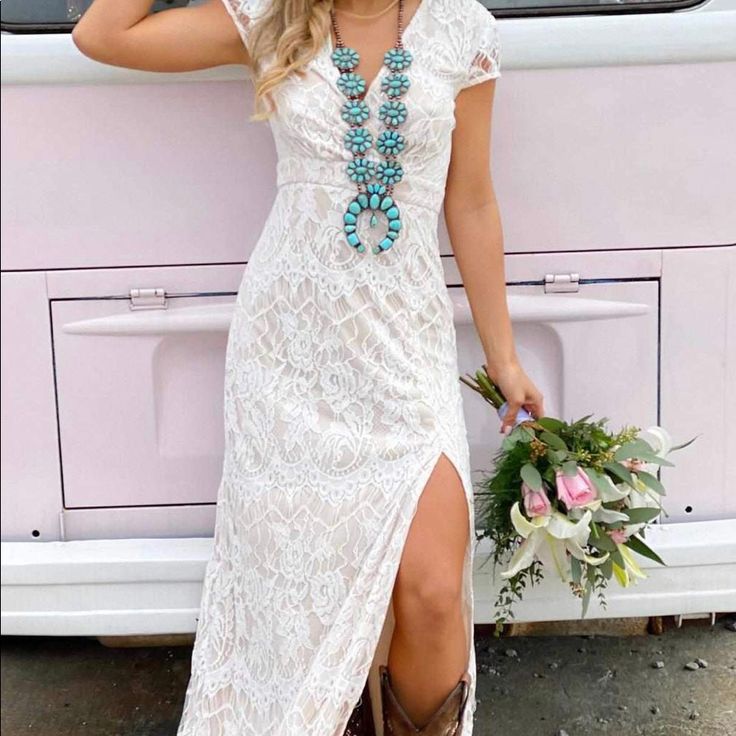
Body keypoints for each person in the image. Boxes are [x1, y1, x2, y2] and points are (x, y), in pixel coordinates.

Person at [72, 1, 545, 734]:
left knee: (429, 591)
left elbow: (472, 199)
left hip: (405, 345)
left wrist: (504, 356)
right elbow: (102, 35)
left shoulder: (463, 28)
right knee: (297, 602)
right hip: (289, 351)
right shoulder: (272, 15)